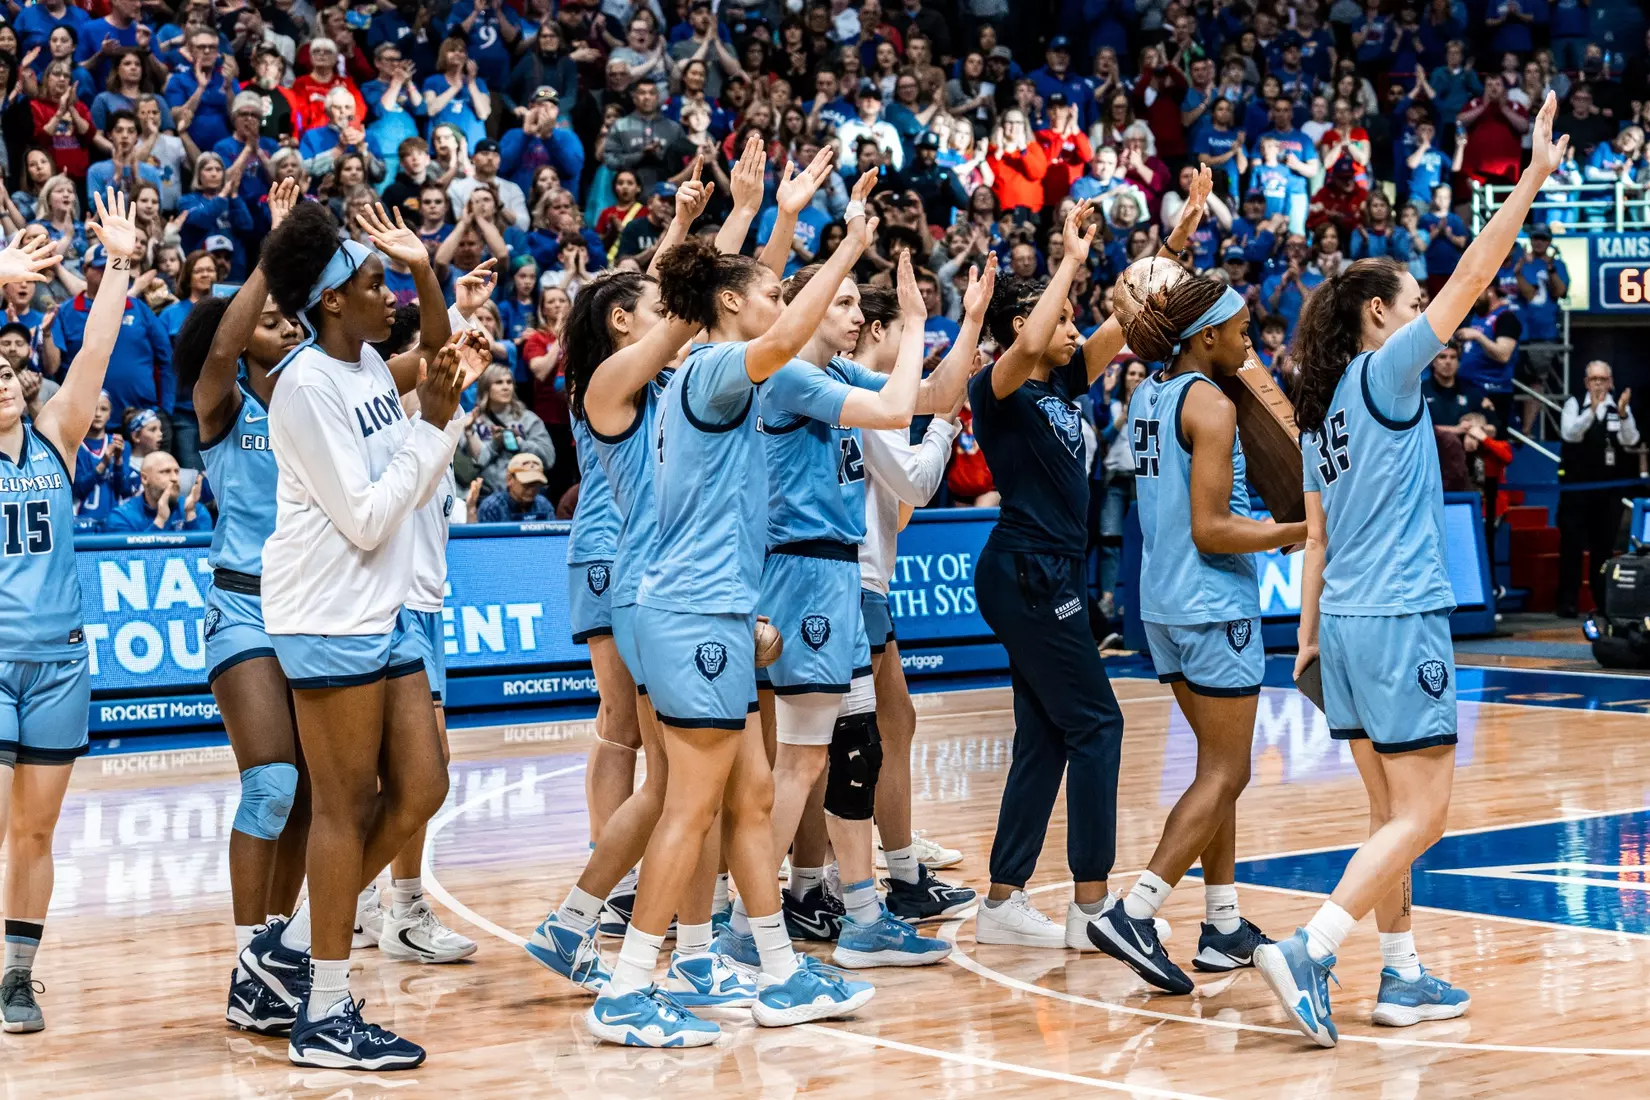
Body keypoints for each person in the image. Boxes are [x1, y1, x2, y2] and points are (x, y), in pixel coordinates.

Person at [1252, 90, 1570, 1049]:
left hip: (1344, 625)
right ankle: (1311, 948)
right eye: (1411, 302)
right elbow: (1473, 275)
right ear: (1379, 314)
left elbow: (1316, 538)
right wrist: (1530, 183)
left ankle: (1402, 975)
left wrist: (1305, 643)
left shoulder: (1318, 417)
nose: (1424, 313)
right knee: (1426, 813)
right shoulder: (1384, 372)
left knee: (1391, 813)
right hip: (1397, 617)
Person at [583, 152, 878, 1048]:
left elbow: (741, 296)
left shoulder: (711, 366)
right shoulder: (710, 372)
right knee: (691, 804)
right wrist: (848, 243)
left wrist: (766, 214)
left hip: (708, 605)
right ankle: (628, 986)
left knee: (750, 797)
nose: (782, 294)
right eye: (768, 289)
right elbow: (771, 324)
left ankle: (780, 974)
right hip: (686, 607)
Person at [249, 197, 467, 1069]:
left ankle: (293, 944)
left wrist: (423, 269)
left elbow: (440, 363)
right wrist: (433, 424)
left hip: (380, 607)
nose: (392, 299)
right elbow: (369, 519)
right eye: (376, 283)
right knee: (342, 809)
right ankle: (324, 1014)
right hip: (327, 613)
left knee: (423, 786)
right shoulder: (304, 388)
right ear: (331, 300)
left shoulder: (369, 360)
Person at [967, 191, 1209, 952]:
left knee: (1047, 733)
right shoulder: (998, 391)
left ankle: (1003, 902)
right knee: (1099, 723)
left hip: (1047, 575)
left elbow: (1128, 322)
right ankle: (1093, 906)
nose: (1076, 330)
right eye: (1061, 319)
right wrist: (1069, 262)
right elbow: (1037, 338)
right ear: (1022, 329)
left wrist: (1170, 244)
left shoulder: (1061, 387)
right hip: (1026, 570)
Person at [1095, 252, 1304, 994]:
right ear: (1206, 336)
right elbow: (1214, 529)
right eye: (1242, 332)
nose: (1250, 345)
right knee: (1229, 769)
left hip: (1165, 607)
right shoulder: (1211, 405)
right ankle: (1138, 907)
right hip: (1214, 605)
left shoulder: (1149, 393)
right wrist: (1297, 529)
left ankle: (1222, 925)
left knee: (1218, 773)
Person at [170, 179, 309, 1034]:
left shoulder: (314, 397)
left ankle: (274, 957)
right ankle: (246, 958)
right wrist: (272, 252)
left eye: (287, 314)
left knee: (312, 801)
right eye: (270, 317)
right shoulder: (221, 405)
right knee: (270, 784)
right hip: (243, 610)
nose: (283, 321)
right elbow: (222, 345)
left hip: (312, 611)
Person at [0, 191, 137, 1032]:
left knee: (36, 833)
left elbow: (95, 347)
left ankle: (17, 976)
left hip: (60, 663)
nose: (6, 380)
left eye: (9, 369)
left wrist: (119, 262)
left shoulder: (55, 431)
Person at [847, 270, 988, 918]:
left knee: (893, 723)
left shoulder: (863, 394)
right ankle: (879, 882)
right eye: (906, 333)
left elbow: (898, 507)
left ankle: (889, 870)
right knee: (857, 740)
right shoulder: (859, 397)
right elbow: (918, 485)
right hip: (847, 582)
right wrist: (946, 425)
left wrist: (969, 326)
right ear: (879, 331)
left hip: (860, 580)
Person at [1557, 361, 1639, 618]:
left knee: (1603, 549)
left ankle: (1603, 603)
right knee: (1571, 547)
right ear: (1586, 382)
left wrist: (1624, 414)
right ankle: (1567, 602)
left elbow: (1631, 439)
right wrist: (1591, 411)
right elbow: (1570, 434)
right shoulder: (1573, 404)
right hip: (1576, 491)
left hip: (1608, 493)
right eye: (1594, 379)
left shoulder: (1619, 407)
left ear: (1611, 381)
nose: (1599, 384)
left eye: (1603, 379)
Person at [461, 363, 555, 495]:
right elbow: (474, 464)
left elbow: (548, 459)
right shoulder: (470, 422)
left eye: (509, 382)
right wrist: (494, 443)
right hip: (484, 496)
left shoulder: (529, 419)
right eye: (499, 382)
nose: (506, 387)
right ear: (486, 388)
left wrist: (520, 442)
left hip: (527, 494)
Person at [101, 449, 211, 531]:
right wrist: (160, 520)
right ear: (144, 478)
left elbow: (203, 556)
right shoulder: (121, 517)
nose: (174, 478)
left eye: (177, 472)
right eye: (166, 472)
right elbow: (130, 559)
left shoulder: (196, 510)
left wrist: (190, 515)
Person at [476, 453, 555, 521]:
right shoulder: (491, 508)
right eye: (526, 484)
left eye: (536, 484)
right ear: (509, 479)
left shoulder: (543, 505)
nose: (531, 489)